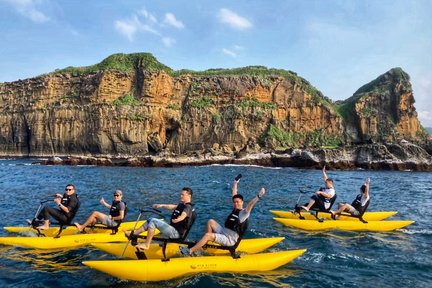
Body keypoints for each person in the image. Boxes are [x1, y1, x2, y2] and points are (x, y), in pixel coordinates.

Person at [179, 177, 266, 256]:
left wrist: (259, 196)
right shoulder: (235, 209)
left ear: (242, 202)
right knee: (210, 221)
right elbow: (234, 194)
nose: (236, 203)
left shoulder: (244, 213)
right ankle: (206, 243)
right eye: (234, 202)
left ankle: (190, 251)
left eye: (238, 202)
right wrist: (235, 183)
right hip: (223, 232)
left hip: (229, 239)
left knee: (208, 235)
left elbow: (250, 205)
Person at [124, 187, 194, 250]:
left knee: (153, 221)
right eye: (181, 194)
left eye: (183, 195)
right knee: (150, 220)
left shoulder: (188, 207)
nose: (180, 196)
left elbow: (184, 214)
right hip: (172, 229)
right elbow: (172, 207)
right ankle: (133, 235)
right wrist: (161, 205)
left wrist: (179, 219)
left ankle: (146, 245)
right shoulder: (182, 205)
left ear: (189, 196)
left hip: (176, 233)